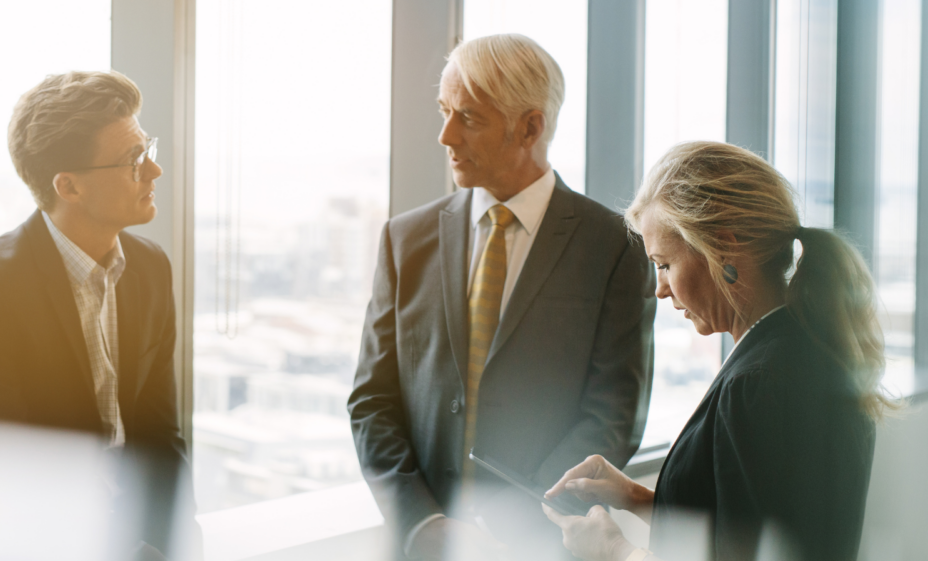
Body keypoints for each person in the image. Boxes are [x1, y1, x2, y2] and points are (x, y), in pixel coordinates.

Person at [348, 34, 656, 560]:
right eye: (444, 111)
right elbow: (372, 401)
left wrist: (512, 526)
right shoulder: (404, 240)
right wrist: (423, 523)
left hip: (540, 544)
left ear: (531, 127)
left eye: (468, 118)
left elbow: (613, 413)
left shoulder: (614, 247)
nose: (445, 135)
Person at [544, 141, 896, 561]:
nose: (659, 289)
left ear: (723, 249)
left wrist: (613, 550)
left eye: (664, 265)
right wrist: (637, 498)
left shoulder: (759, 383)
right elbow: (750, 529)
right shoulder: (797, 353)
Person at [0, 71, 200, 560]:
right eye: (133, 160)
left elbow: (161, 432)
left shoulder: (150, 268)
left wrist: (174, 542)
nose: (153, 171)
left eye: (147, 148)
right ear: (69, 186)